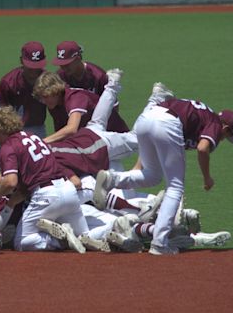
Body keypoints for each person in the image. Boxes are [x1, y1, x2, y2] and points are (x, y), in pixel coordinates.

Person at [93, 85, 233, 255]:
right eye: (228, 136)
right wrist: (207, 178)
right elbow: (203, 149)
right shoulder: (215, 123)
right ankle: (159, 243)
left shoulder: (205, 115)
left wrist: (141, 163)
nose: (225, 138)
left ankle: (111, 179)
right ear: (226, 128)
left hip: (146, 118)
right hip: (166, 122)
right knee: (175, 186)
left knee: (152, 175)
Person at [0, 107, 91, 253]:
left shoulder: (8, 147)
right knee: (85, 237)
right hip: (68, 190)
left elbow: (10, 182)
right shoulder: (32, 137)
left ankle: (59, 240)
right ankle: (114, 231)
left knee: (21, 242)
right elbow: (26, 183)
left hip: (46, 196)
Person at [32, 71, 129, 144]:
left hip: (114, 135)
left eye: (45, 96)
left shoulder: (75, 97)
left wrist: (42, 142)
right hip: (94, 136)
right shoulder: (54, 104)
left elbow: (71, 129)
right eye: (41, 98)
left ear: (55, 91)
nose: (43, 101)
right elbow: (61, 133)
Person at [0, 41, 48, 137]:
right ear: (21, 61)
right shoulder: (9, 82)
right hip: (12, 131)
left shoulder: (47, 80)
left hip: (38, 128)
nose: (34, 71)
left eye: (37, 66)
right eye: (30, 67)